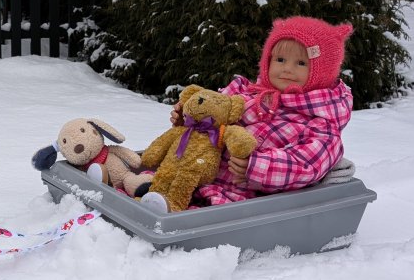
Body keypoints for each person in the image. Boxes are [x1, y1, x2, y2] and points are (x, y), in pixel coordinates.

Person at [142, 16, 353, 211]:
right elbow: (215, 110)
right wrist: (191, 119)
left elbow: (306, 163)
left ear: (322, 71)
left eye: (301, 63)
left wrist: (256, 166)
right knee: (153, 178)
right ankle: (145, 192)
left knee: (204, 209)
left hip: (239, 193)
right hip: (196, 170)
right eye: (280, 60)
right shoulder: (245, 92)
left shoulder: (320, 123)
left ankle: (168, 210)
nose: (287, 69)